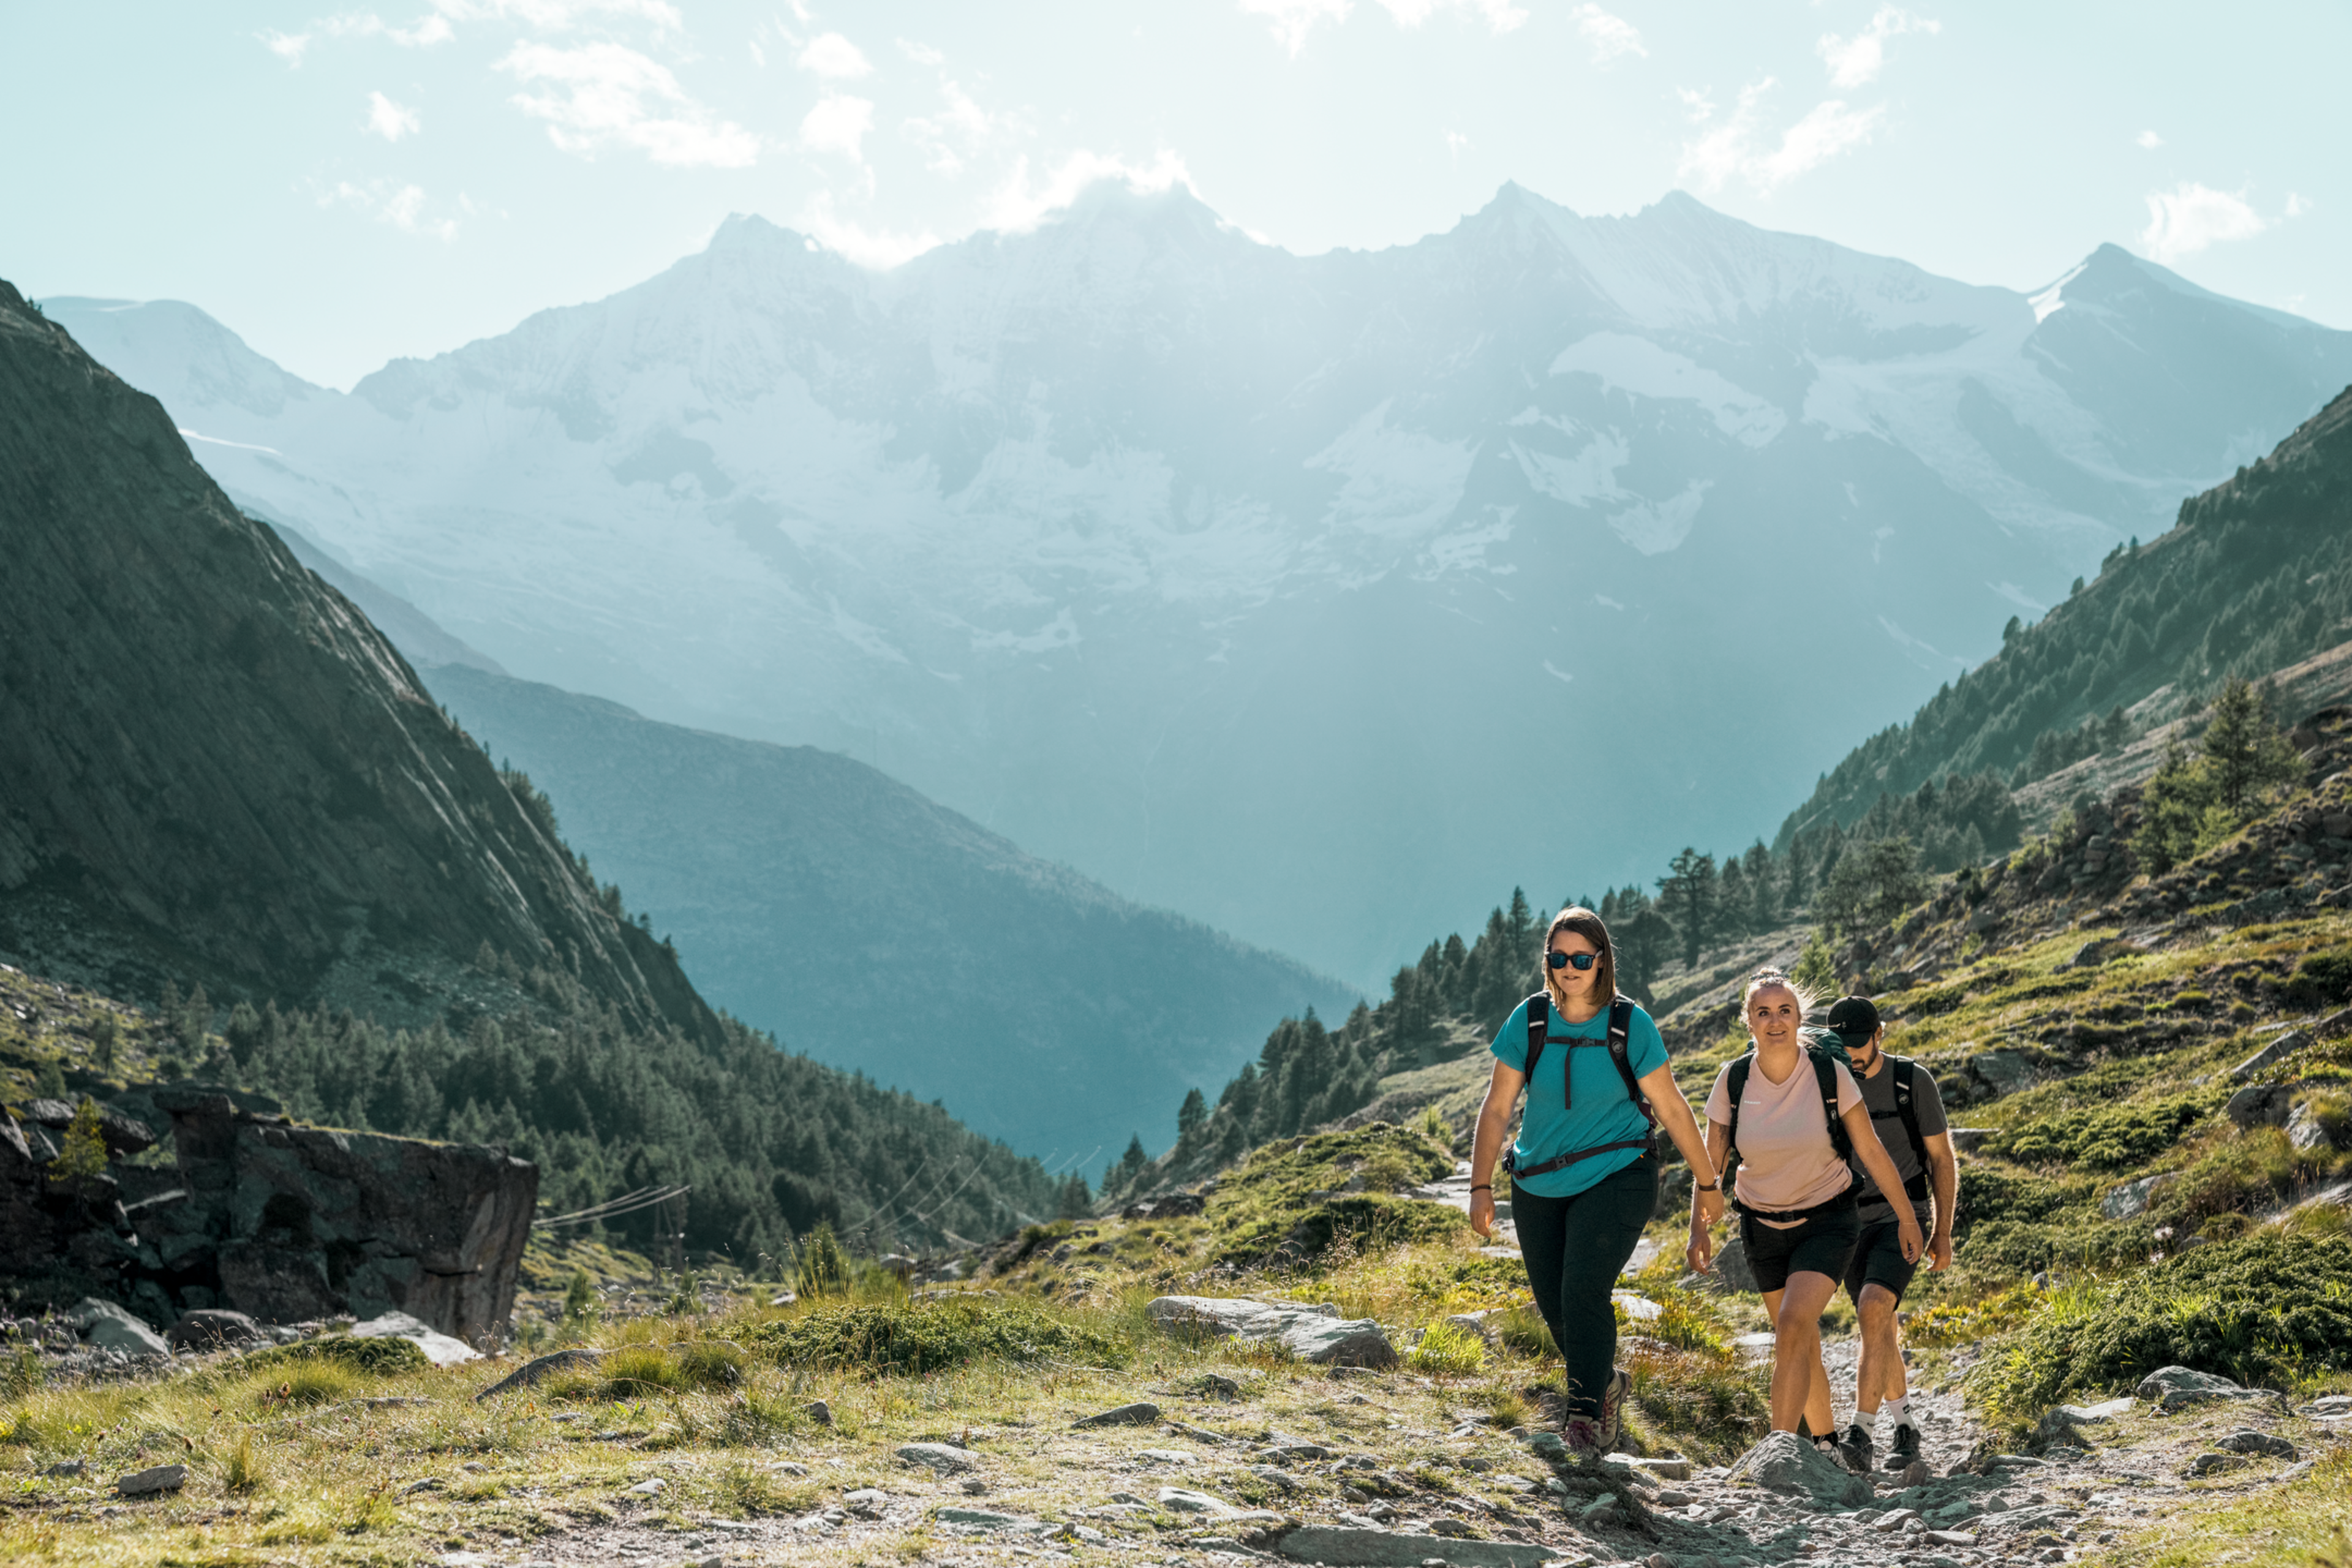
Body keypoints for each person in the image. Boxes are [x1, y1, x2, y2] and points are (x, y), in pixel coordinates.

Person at [1468, 907, 1725, 1455]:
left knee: (1583, 1288)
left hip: (1618, 1173)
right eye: (1558, 958)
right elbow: (1496, 1110)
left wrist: (1708, 1183)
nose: (1569, 967)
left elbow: (1674, 1109)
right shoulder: (1530, 1020)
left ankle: (1583, 1419)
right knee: (1556, 1303)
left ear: (1602, 960)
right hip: (1536, 1181)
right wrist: (1480, 1186)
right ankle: (1606, 1383)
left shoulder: (1629, 1025)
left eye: (1581, 958)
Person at [1689, 970, 1922, 1465]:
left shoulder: (1827, 1073)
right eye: (1763, 1012)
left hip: (1828, 1219)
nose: (1775, 1021)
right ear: (1748, 1021)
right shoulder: (1733, 1080)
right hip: (1761, 1226)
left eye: (1785, 1011)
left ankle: (1781, 1458)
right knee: (1801, 1339)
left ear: (1800, 1019)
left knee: (1794, 1325)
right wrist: (1697, 1228)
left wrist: (1907, 1216)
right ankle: (1826, 1446)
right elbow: (1712, 1166)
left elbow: (1872, 1150)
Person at [1817, 995, 1956, 1472]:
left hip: (1903, 1217)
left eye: (1859, 1044)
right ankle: (1907, 1429)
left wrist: (1942, 1231)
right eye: (1842, 1046)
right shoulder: (1827, 1082)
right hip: (1847, 1220)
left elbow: (1941, 1159)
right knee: (1878, 1323)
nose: (1852, 1055)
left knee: (1874, 1306)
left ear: (1881, 1034)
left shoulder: (1910, 1082)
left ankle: (1861, 1432)